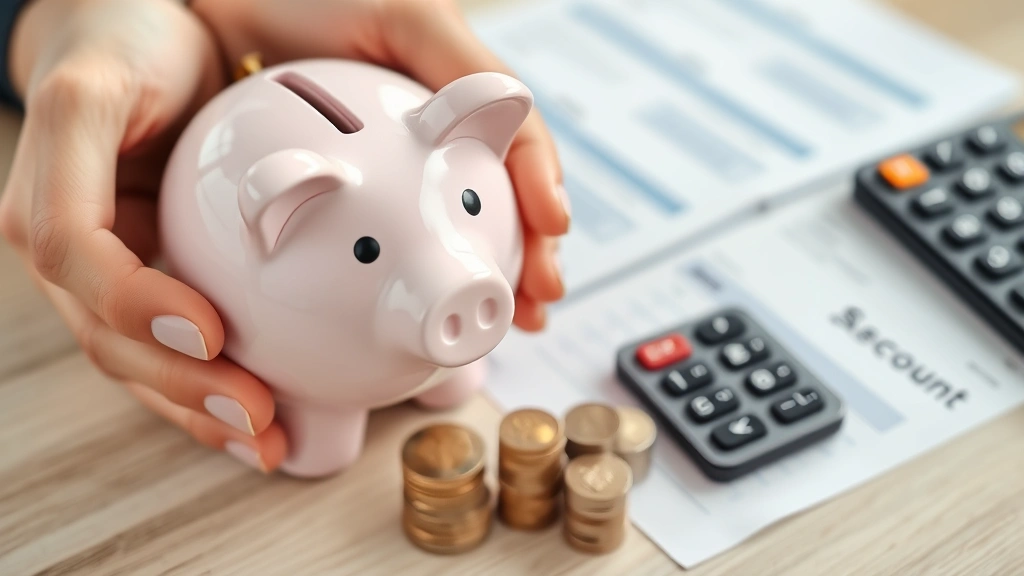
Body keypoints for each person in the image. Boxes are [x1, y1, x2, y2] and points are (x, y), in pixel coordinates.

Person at [0, 0, 570, 472]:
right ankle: (323, 419)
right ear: (286, 213)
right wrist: (56, 18)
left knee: (448, 375)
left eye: (468, 202)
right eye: (365, 249)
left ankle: (448, 376)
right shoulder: (272, 201)